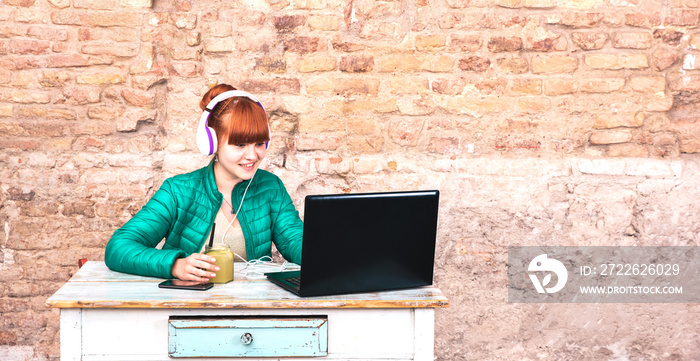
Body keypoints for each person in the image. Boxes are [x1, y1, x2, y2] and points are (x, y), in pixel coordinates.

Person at [104, 84, 303, 282]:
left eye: (259, 143)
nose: (252, 155)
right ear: (212, 142)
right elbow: (119, 247)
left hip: (249, 306)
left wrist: (324, 251)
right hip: (187, 306)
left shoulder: (271, 187)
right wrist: (175, 265)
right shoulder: (178, 191)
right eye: (240, 144)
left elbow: (295, 241)